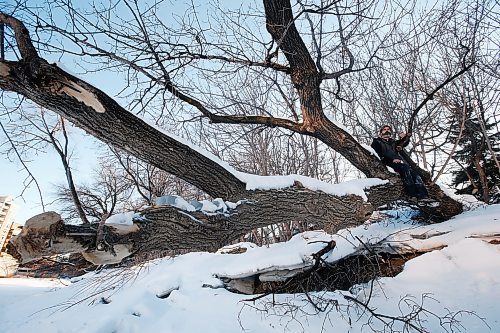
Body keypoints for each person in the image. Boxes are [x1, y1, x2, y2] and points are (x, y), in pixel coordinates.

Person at [371, 125, 430, 202]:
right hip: (387, 164)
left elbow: (403, 143)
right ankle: (413, 195)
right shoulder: (377, 142)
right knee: (405, 170)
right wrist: (391, 160)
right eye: (384, 129)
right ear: (381, 132)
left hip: (398, 163)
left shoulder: (393, 142)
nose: (386, 131)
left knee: (414, 174)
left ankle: (424, 196)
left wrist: (405, 137)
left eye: (388, 129)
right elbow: (378, 156)